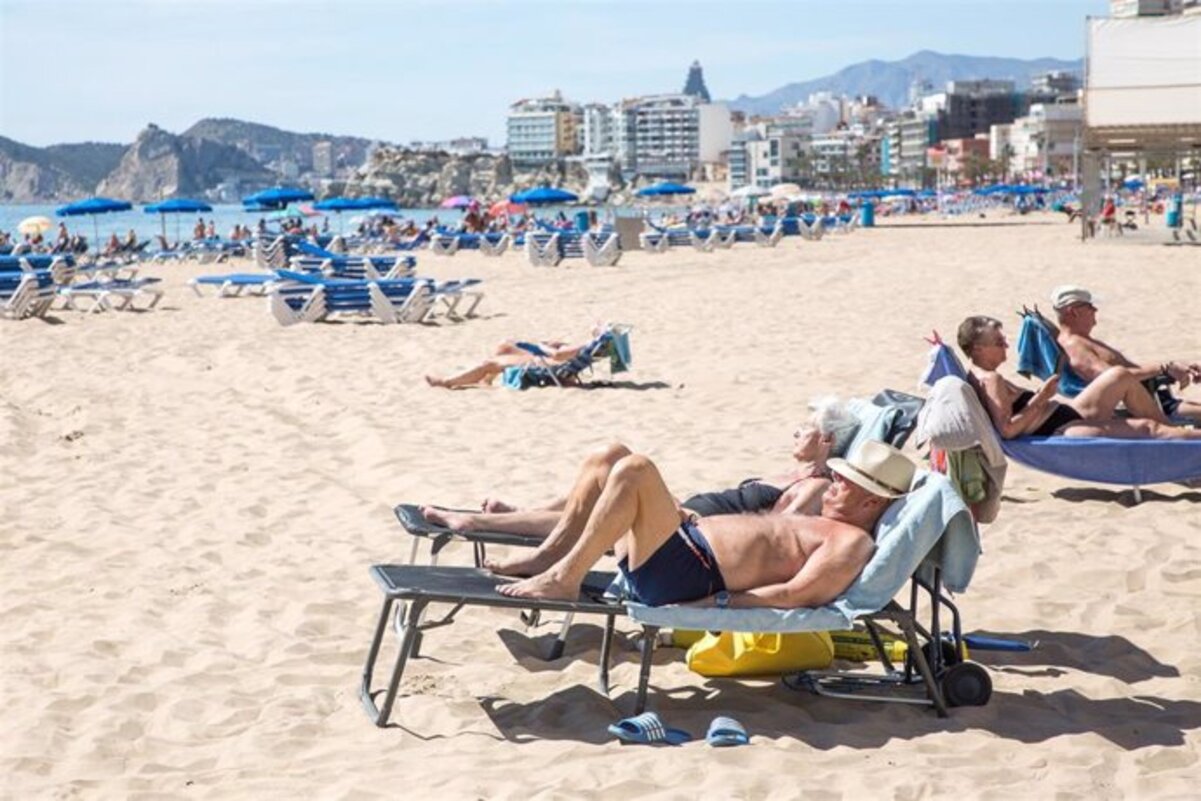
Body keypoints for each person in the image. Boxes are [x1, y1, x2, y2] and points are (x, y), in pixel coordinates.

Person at [494, 440, 916, 607]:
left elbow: (795, 593)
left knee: (636, 470)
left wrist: (713, 606)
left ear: (872, 500)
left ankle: (565, 577)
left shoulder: (851, 542)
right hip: (683, 544)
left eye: (846, 480)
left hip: (686, 575)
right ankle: (550, 556)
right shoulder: (821, 517)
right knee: (610, 456)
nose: (835, 481)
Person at [421, 399, 862, 544]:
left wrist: (697, 522)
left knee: (616, 477)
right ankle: (517, 514)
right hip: (687, 516)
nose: (796, 431)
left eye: (806, 428)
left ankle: (479, 522)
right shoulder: (792, 471)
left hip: (693, 535)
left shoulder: (817, 484)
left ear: (827, 441)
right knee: (609, 458)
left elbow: (775, 531)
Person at [957, 316, 1201, 440]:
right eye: (999, 343)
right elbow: (1008, 430)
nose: (1006, 346)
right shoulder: (991, 380)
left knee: (1119, 376)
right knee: (1149, 428)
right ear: (978, 348)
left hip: (1063, 415)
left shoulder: (975, 374)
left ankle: (1175, 438)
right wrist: (1042, 396)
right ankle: (1176, 438)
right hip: (1059, 427)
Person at [1050, 285, 1200, 422]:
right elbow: (1114, 379)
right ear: (1073, 312)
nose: (1095, 310)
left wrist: (1174, 368)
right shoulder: (1075, 346)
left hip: (1153, 398)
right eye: (1089, 306)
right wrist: (1164, 368)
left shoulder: (1082, 340)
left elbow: (1127, 371)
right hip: (1143, 407)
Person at [424, 328, 606, 389]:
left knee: (488, 364)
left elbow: (558, 356)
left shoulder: (584, 345)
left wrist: (539, 347)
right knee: (506, 344)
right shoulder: (587, 346)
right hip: (549, 361)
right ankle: (486, 379)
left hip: (545, 365)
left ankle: (447, 382)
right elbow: (560, 352)